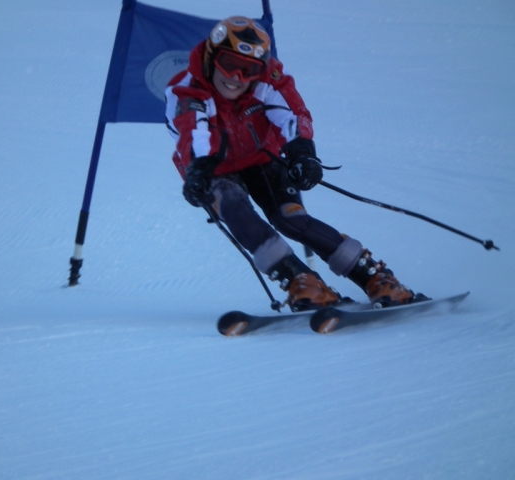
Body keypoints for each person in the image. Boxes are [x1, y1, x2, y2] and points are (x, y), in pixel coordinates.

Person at [165, 16, 419, 311]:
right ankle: (301, 280)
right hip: (214, 168)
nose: (236, 77)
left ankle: (374, 275)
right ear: (210, 58)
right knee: (235, 210)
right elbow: (194, 130)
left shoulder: (266, 80)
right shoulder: (186, 88)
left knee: (290, 218)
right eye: (228, 64)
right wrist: (199, 169)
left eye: (249, 69)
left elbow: (291, 114)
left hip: (262, 158)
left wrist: (302, 153)